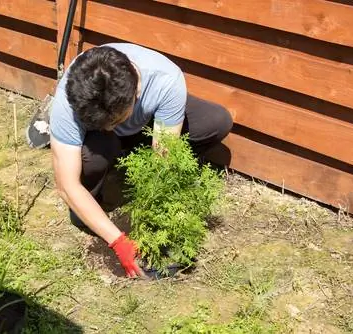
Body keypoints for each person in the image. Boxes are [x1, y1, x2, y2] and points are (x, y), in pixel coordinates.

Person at [27, 43, 233, 278]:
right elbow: (67, 185)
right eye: (102, 123)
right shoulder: (70, 98)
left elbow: (163, 161)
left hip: (144, 125)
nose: (108, 126)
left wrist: (158, 218)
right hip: (103, 141)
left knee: (216, 120)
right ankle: (95, 198)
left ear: (135, 93)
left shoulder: (165, 80)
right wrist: (118, 241)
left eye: (113, 121)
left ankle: (128, 158)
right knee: (93, 156)